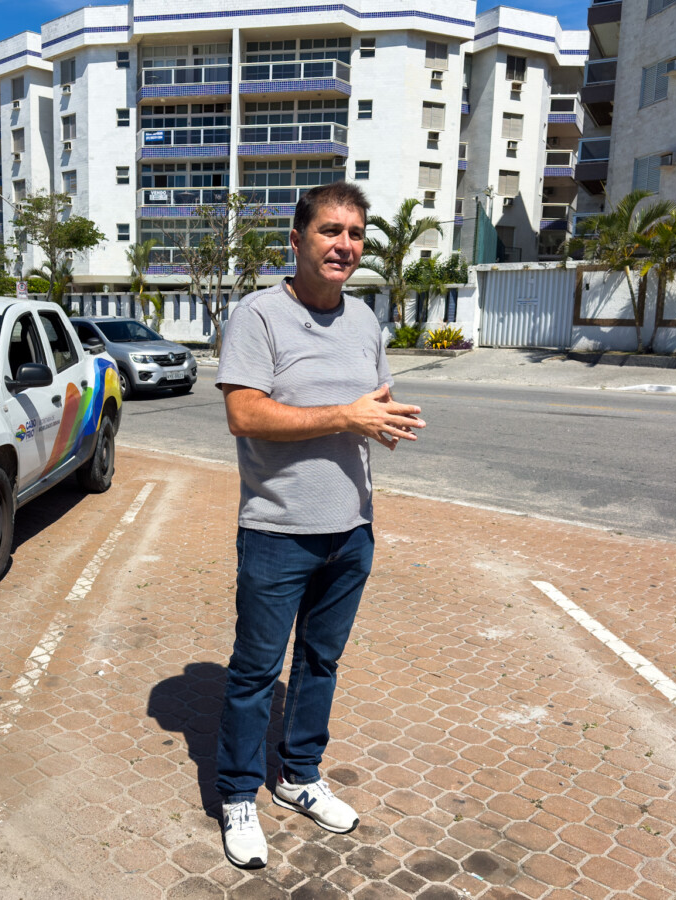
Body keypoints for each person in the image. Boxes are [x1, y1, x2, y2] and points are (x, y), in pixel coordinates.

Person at [213, 181, 426, 869]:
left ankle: (299, 776)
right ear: (298, 239)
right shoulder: (259, 316)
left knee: (319, 662)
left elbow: (371, 403)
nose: (345, 245)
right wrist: (345, 416)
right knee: (255, 671)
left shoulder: (364, 320)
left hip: (351, 528)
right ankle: (238, 794)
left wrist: (381, 422)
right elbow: (244, 413)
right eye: (331, 231)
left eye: (355, 234)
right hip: (277, 531)